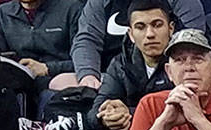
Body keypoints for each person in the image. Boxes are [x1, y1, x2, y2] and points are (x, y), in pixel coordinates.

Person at [88, 0, 174, 130]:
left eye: (157, 25)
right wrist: (106, 117)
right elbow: (95, 110)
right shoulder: (120, 64)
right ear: (131, 34)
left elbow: (188, 108)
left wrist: (129, 113)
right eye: (140, 27)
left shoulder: (184, 60)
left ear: (171, 29)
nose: (150, 34)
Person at [71, 0, 203, 89]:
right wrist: (88, 75)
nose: (150, 33)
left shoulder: (183, 2)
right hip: (110, 76)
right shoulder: (100, 3)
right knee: (63, 83)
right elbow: (87, 40)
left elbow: (191, 41)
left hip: (168, 77)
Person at [0, 0, 81, 93]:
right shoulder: (2, 13)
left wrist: (48, 68)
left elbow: (87, 60)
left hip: (60, 83)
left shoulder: (72, 9)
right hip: (18, 85)